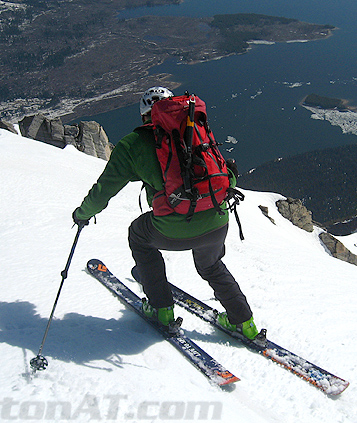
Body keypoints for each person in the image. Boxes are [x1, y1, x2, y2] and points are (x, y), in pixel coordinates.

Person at [73, 87, 258, 340]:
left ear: (143, 117)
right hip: (217, 220)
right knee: (211, 265)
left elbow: (103, 191)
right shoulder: (194, 131)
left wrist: (83, 214)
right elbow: (225, 177)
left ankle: (161, 309)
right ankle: (244, 323)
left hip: (171, 229)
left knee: (138, 236)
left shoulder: (132, 145)